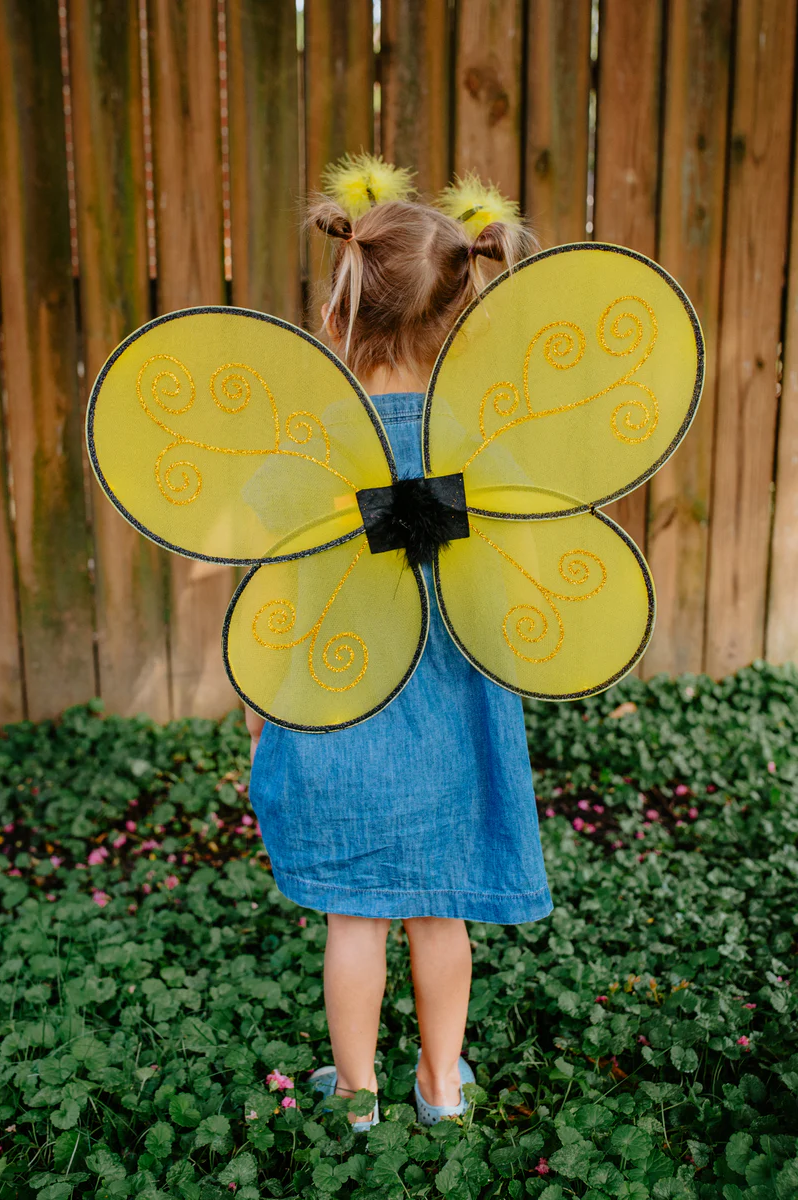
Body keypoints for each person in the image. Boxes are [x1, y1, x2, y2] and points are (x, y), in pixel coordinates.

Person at [245, 158, 553, 1132]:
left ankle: (357, 1099)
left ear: (338, 310)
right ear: (462, 312)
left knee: (354, 919)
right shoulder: (476, 442)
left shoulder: (312, 444)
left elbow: (260, 582)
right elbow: (525, 573)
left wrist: (261, 706)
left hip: (340, 712)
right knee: (438, 916)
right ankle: (440, 1086)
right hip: (451, 725)